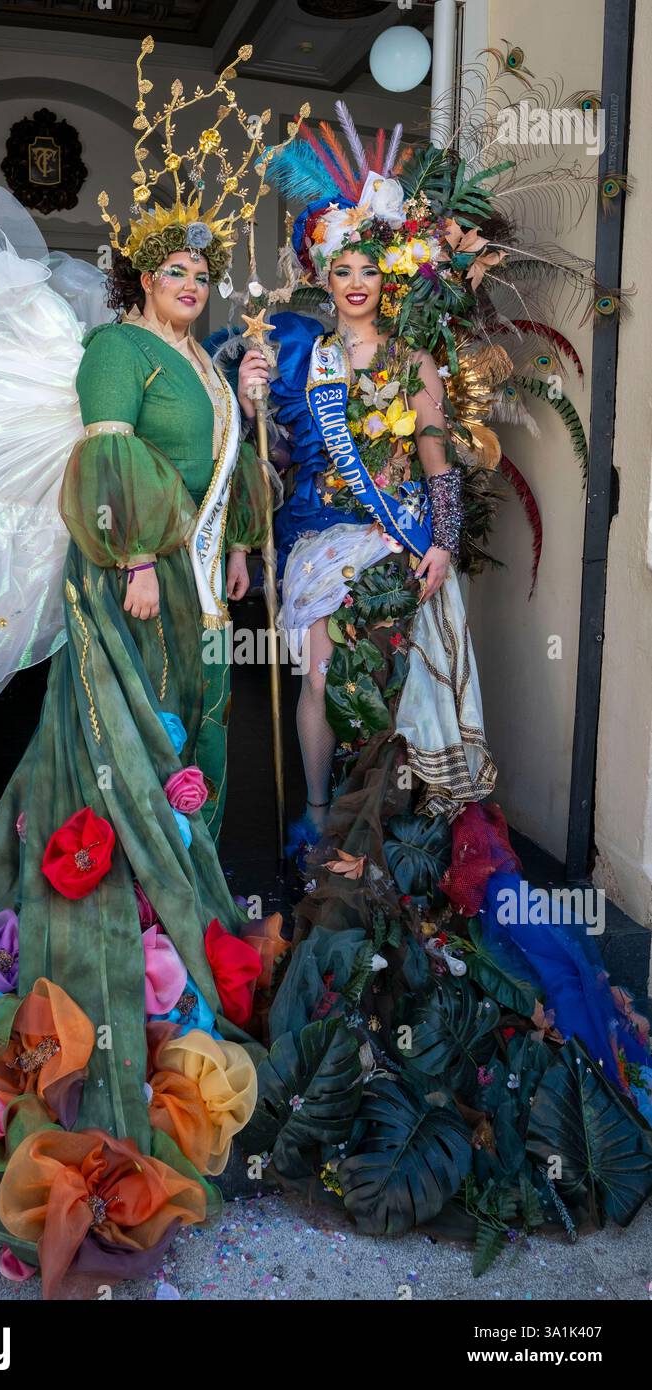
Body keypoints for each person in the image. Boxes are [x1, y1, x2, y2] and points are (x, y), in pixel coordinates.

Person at [0, 39, 287, 1298]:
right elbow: (103, 471)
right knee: (122, 766)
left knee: (191, 767)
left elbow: (227, 484)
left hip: (199, 601)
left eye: (207, 268)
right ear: (137, 273)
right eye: (176, 266)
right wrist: (129, 557)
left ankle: (177, 982)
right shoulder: (119, 353)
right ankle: (99, 985)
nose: (194, 281)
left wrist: (248, 491)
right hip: (131, 596)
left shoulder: (208, 368)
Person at [231, 104, 652, 1261]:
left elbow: (433, 470)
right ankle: (320, 815)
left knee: (404, 658)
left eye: (368, 266)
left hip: (392, 542)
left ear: (382, 272)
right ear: (322, 272)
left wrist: (430, 543)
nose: (354, 281)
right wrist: (263, 408)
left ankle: (402, 816)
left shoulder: (415, 362)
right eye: (339, 267)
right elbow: (274, 470)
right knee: (317, 658)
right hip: (319, 537)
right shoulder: (302, 356)